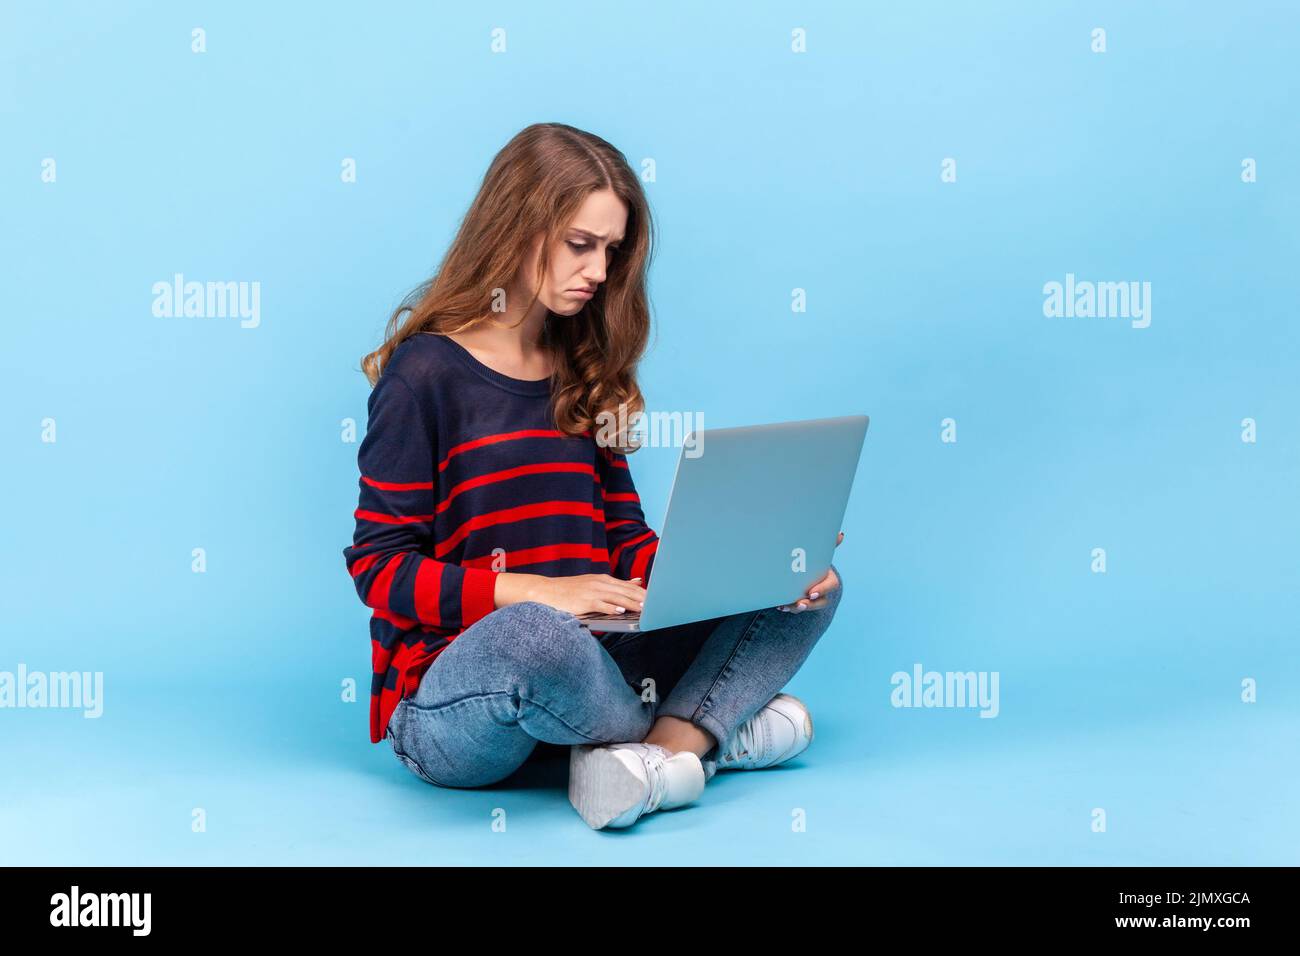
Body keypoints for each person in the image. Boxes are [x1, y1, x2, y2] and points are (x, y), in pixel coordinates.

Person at [342, 122, 844, 829]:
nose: (601, 272)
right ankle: (708, 731)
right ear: (516, 227)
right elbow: (380, 570)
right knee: (536, 633)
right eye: (582, 244)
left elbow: (623, 538)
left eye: (611, 250)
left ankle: (665, 755)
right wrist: (544, 594)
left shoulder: (583, 368)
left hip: (599, 665)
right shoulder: (423, 376)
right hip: (457, 702)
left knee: (808, 586)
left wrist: (733, 564)